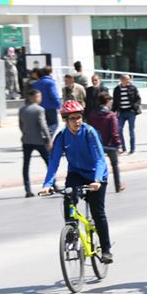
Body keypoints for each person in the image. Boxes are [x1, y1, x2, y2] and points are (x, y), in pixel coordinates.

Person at [39, 100, 113, 264]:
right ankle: (71, 233)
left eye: (79, 117)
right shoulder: (62, 136)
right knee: (68, 201)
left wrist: (97, 180)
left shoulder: (89, 132)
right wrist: (47, 184)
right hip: (76, 174)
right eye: (72, 118)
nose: (77, 121)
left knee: (98, 213)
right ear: (65, 120)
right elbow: (54, 161)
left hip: (96, 175)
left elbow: (100, 159)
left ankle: (106, 250)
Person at [87, 92, 124, 193]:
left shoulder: (92, 114)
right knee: (115, 165)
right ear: (107, 102)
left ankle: (93, 185)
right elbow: (115, 132)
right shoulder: (111, 115)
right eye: (110, 101)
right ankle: (118, 186)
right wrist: (119, 144)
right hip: (110, 144)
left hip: (96, 145)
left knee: (95, 165)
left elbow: (89, 129)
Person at [19, 89, 52, 198]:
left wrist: (25, 133)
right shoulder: (39, 110)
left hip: (26, 140)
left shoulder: (22, 109)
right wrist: (48, 139)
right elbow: (43, 125)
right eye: (38, 96)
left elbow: (21, 125)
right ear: (32, 98)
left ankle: (28, 189)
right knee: (49, 162)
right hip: (39, 140)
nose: (40, 98)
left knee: (26, 165)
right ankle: (52, 184)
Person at [112, 74, 141, 154]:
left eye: (129, 79)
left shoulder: (133, 88)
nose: (128, 81)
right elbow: (115, 101)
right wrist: (112, 112)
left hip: (131, 112)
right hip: (121, 112)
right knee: (119, 129)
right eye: (126, 79)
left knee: (131, 130)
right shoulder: (117, 89)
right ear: (121, 80)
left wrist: (135, 106)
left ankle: (132, 149)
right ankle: (123, 148)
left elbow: (138, 99)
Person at [33, 66, 62, 135]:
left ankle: (44, 136)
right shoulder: (50, 82)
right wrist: (59, 105)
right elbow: (54, 95)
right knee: (54, 124)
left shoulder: (36, 83)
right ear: (50, 73)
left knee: (44, 124)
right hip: (50, 107)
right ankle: (48, 137)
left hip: (40, 107)